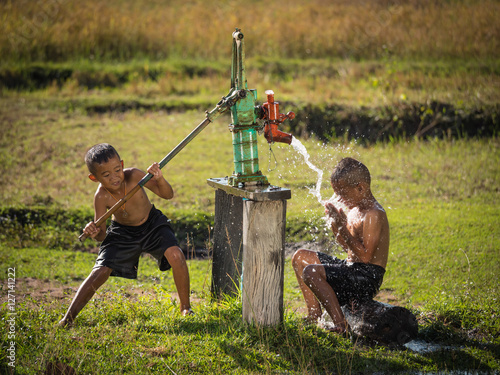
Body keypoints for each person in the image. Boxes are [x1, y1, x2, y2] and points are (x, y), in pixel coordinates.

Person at [59, 143, 192, 327]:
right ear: (94, 177)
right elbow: (102, 236)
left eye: (117, 170)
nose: (114, 177)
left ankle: (186, 308)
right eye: (106, 175)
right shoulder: (101, 197)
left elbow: (168, 194)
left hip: (152, 224)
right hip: (122, 232)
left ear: (122, 164)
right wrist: (95, 231)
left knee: (176, 254)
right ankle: (68, 319)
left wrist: (159, 178)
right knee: (100, 270)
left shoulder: (135, 176)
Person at [292, 157, 389, 333]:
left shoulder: (374, 214)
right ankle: (314, 316)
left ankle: (341, 325)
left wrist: (343, 228)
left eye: (342, 193)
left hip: (367, 278)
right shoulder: (354, 210)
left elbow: (366, 257)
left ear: (360, 188)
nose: (339, 198)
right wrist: (336, 227)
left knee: (311, 272)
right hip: (352, 268)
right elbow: (349, 250)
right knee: (300, 257)